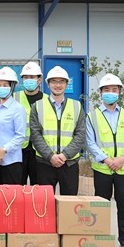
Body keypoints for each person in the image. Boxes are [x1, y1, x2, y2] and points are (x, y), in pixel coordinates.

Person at [86, 73, 124, 247]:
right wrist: (107, 160)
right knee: (100, 207)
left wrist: (122, 158)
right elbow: (90, 142)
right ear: (101, 93)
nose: (111, 92)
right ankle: (99, 241)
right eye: (107, 90)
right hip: (102, 168)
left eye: (114, 90)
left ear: (119, 92)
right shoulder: (92, 116)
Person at [29, 66, 86, 195]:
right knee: (44, 202)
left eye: (61, 81)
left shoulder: (76, 106)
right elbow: (35, 135)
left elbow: (80, 134)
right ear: (48, 84)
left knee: (69, 203)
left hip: (69, 163)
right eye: (54, 81)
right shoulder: (37, 106)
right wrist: (50, 156)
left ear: (67, 84)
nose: (58, 85)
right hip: (45, 163)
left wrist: (65, 155)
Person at [0, 66, 27, 185]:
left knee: (10, 195)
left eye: (5, 85)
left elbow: (20, 136)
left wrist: (4, 149)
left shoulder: (17, 108)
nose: (1, 88)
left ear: (12, 87)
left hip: (11, 162)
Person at [16, 61, 45, 185]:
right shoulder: (14, 98)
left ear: (39, 80)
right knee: (18, 186)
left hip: (39, 151)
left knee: (37, 187)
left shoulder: (47, 100)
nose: (28, 80)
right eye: (26, 77)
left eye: (32, 77)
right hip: (18, 149)